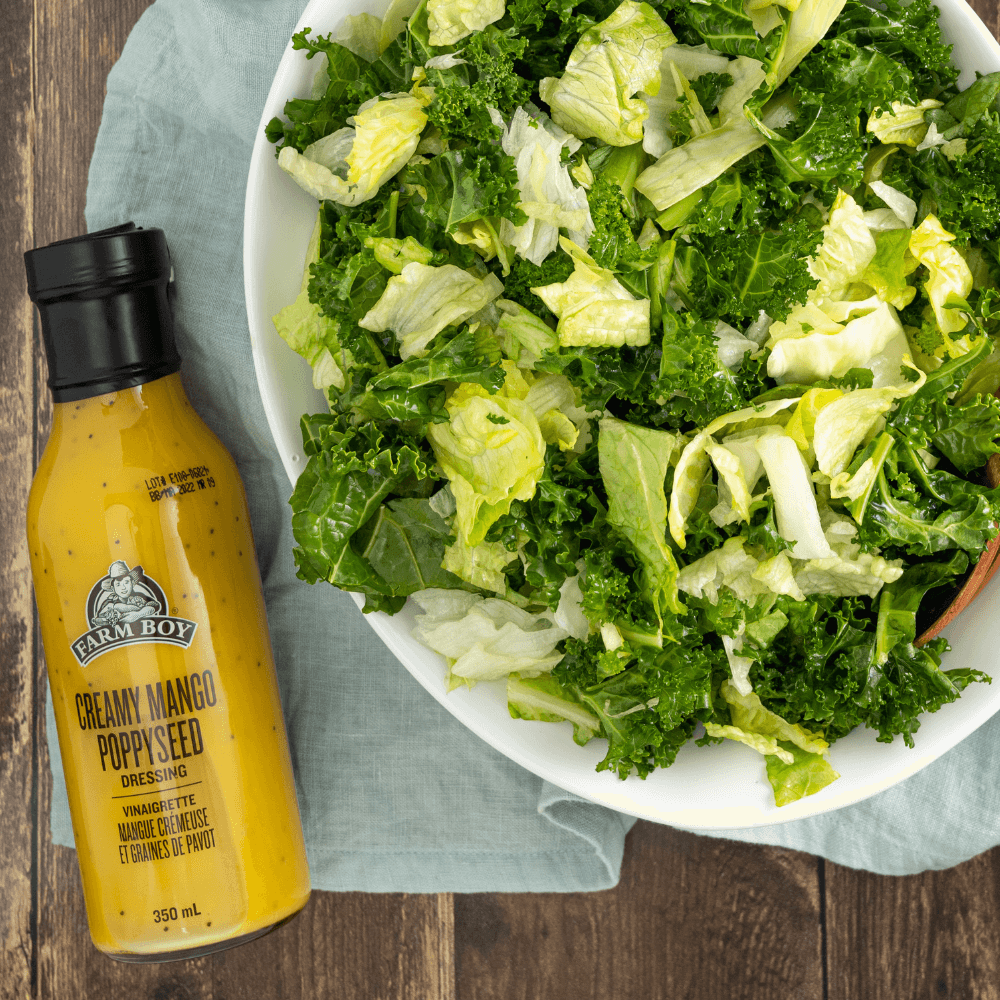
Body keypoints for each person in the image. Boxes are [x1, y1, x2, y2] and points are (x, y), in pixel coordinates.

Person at [90, 561, 160, 627]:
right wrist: (115, 610)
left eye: (126, 582)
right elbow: (97, 619)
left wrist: (137, 614)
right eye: (118, 584)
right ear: (113, 588)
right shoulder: (109, 602)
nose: (123, 587)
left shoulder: (139, 597)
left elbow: (155, 605)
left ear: (132, 583)